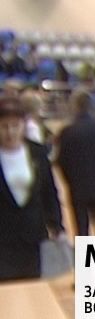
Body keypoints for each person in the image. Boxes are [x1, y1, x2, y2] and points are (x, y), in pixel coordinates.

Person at [0, 95, 64, 280]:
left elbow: (49, 192)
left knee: (33, 285)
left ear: (23, 125)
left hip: (32, 236)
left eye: (15, 126)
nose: (10, 132)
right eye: (4, 126)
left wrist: (56, 225)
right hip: (3, 238)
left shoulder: (38, 152)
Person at [56, 88, 95, 236]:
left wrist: (70, 181)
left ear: (75, 106)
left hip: (78, 188)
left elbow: (61, 162)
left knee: (81, 232)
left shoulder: (67, 131)